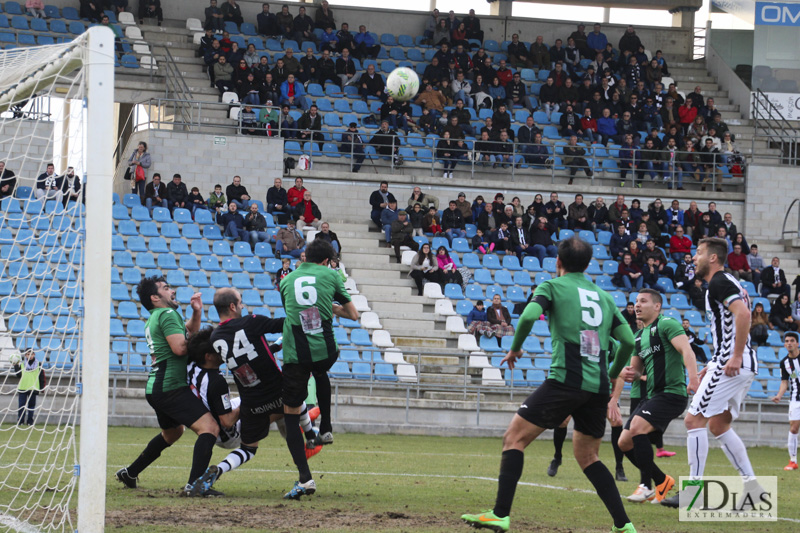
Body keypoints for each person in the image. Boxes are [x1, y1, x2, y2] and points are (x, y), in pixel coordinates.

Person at [462, 237, 637, 533]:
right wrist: (611, 373)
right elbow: (629, 342)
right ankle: (624, 525)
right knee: (588, 456)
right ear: (588, 264)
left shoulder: (552, 286)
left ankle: (500, 514)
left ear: (558, 262)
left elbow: (530, 315)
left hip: (566, 379)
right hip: (597, 387)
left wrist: (515, 348)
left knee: (514, 439)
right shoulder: (605, 297)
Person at [662, 238, 762, 508]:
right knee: (718, 425)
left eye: (698, 252)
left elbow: (742, 315)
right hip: (738, 364)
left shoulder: (719, 282)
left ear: (713, 258)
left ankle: (693, 493)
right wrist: (716, 361)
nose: (694, 257)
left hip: (734, 364)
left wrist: (735, 355)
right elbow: (733, 322)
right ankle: (753, 488)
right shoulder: (728, 281)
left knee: (693, 421)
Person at [115, 277, 220, 496]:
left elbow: (185, 333)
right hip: (170, 386)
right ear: (155, 297)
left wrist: (197, 312)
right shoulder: (168, 314)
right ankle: (195, 485)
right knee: (209, 428)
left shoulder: (155, 317)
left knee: (172, 433)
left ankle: (130, 473)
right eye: (166, 288)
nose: (172, 290)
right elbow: (180, 348)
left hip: (157, 387)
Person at [278, 240, 358, 499]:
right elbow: (353, 314)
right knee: (321, 372)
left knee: (290, 412)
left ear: (304, 257)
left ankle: (305, 477)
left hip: (295, 353)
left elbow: (293, 311)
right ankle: (326, 426)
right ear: (326, 261)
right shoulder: (331, 274)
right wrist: (331, 308)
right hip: (326, 350)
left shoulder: (286, 280)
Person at [617, 290, 698, 503]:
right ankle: (662, 480)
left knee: (636, 429)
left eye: (643, 301)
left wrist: (693, 378)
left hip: (672, 393)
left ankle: (645, 486)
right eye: (636, 302)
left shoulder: (667, 324)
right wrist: (627, 373)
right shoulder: (638, 337)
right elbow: (635, 372)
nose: (637, 305)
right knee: (624, 443)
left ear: (657, 306)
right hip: (652, 396)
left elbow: (687, 350)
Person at [772, 331, 800, 471]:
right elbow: (784, 382)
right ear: (784, 344)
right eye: (787, 340)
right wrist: (779, 395)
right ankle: (793, 461)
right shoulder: (784, 363)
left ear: (797, 343)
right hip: (796, 398)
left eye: (792, 340)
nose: (789, 343)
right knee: (794, 428)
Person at [14, 349, 45, 425]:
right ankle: (20, 421)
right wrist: (15, 366)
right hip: (23, 387)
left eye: (31, 354)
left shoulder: (38, 364)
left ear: (34, 354)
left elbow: (41, 376)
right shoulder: (22, 364)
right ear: (25, 355)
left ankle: (30, 422)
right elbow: (18, 375)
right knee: (21, 406)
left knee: (31, 406)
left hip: (33, 388)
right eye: (27, 354)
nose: (29, 355)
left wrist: (42, 388)